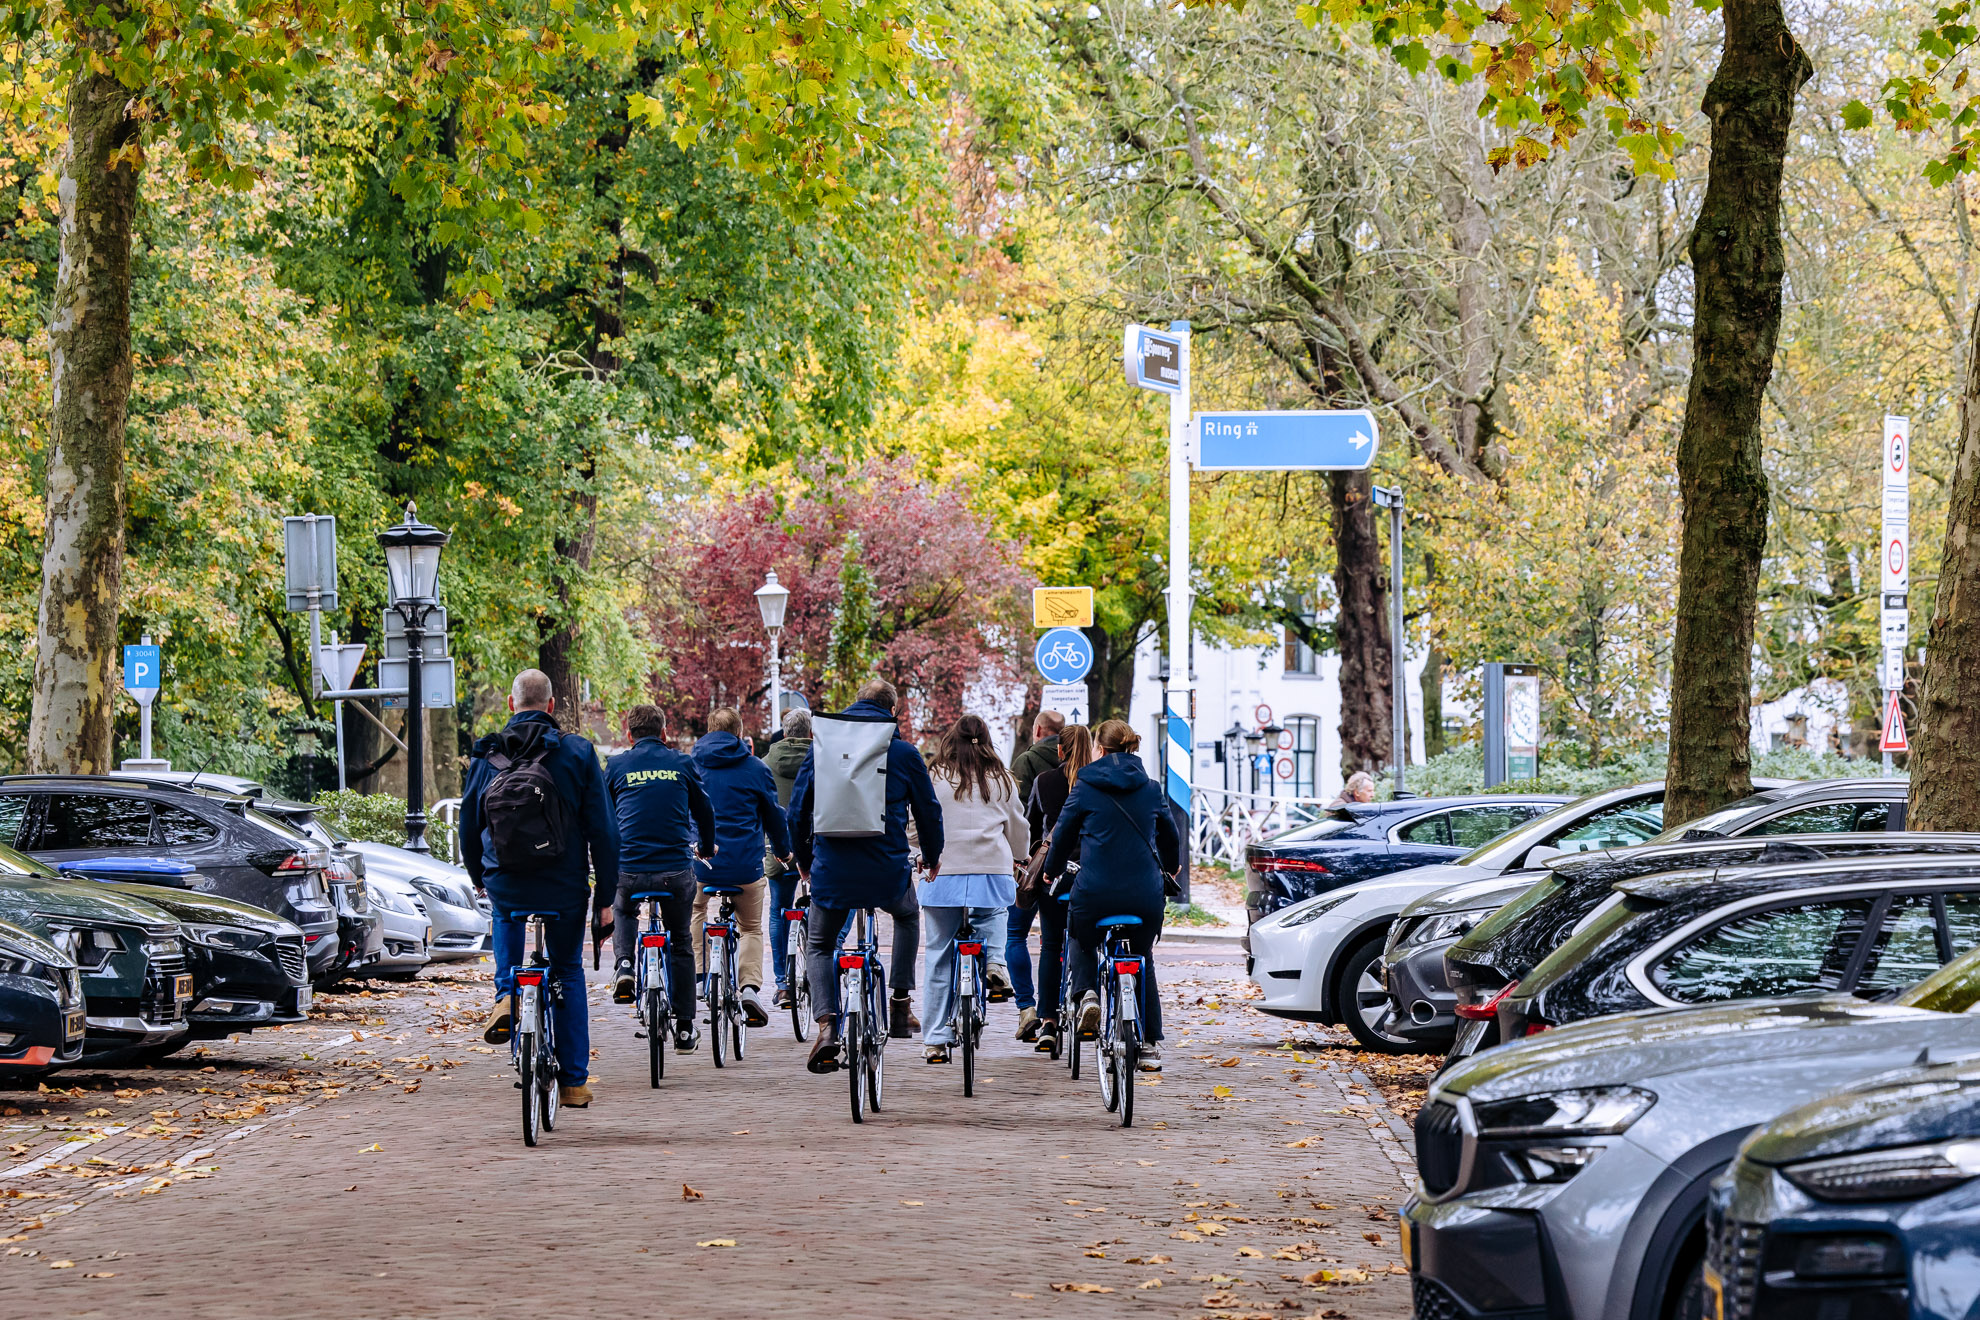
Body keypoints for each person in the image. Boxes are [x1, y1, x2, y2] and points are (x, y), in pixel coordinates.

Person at [459, 669, 620, 1108]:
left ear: (511, 705)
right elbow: (604, 831)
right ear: (552, 706)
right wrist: (605, 897)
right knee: (567, 969)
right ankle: (572, 1083)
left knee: (506, 914)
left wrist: (481, 877)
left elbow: (468, 827)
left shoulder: (487, 753)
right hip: (564, 885)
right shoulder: (577, 752)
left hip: (506, 880)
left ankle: (506, 999)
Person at [787, 677, 943, 1073]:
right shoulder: (904, 753)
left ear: (854, 705)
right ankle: (900, 1005)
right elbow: (928, 811)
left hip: (832, 870)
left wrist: (805, 860)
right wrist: (933, 855)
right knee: (907, 917)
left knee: (821, 944)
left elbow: (796, 813)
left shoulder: (822, 747)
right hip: (886, 870)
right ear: (893, 712)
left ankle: (826, 1026)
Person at [1043, 718, 1178, 1073]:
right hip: (1144, 895)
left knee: (1080, 935)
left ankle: (1087, 993)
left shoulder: (1085, 785)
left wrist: (1051, 869)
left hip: (1095, 891)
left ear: (1099, 749)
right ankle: (1149, 1045)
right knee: (1141, 954)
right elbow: (1170, 837)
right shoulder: (1150, 787)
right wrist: (1172, 867)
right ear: (1131, 747)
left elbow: (1062, 835)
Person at [604, 703, 715, 1050]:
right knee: (681, 940)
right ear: (664, 733)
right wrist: (707, 847)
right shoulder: (681, 763)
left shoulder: (616, 766)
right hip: (675, 871)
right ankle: (684, 1027)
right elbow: (704, 811)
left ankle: (624, 965)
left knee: (622, 909)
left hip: (630, 868)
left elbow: (603, 816)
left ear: (628, 734)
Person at [917, 714, 1023, 1063]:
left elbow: (918, 819)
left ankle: (934, 1039)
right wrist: (1020, 857)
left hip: (942, 872)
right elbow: (1017, 826)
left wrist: (918, 852)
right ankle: (994, 962)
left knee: (938, 954)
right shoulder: (1002, 779)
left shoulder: (934, 776)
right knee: (993, 911)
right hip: (990, 870)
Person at [691, 707, 792, 1026]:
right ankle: (749, 988)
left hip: (702, 862)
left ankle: (700, 973)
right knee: (750, 927)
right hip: (746, 865)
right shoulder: (755, 768)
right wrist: (784, 852)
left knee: (696, 910)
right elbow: (774, 817)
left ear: (708, 729)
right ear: (740, 732)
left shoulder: (691, 764)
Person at [1019, 724, 1090, 1052]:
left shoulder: (1044, 781)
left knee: (1051, 945)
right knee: (1086, 943)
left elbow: (1031, 825)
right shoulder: (1096, 784)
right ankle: (1088, 999)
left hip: (1054, 874)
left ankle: (1048, 1022)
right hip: (1091, 874)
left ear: (1059, 751)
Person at [1003, 710, 1064, 1031]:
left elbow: (1017, 813)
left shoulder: (1026, 762)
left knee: (1015, 934)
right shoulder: (1082, 765)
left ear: (1038, 729)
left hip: (1031, 864)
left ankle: (1027, 1009)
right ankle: (1061, 1003)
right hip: (1067, 866)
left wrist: (1018, 857)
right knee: (1062, 938)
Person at [760, 706, 812, 1009]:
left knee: (779, 908)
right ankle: (818, 969)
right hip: (816, 852)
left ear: (785, 730)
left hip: (779, 853)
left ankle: (782, 984)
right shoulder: (823, 760)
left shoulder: (765, 763)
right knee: (828, 909)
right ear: (810, 733)